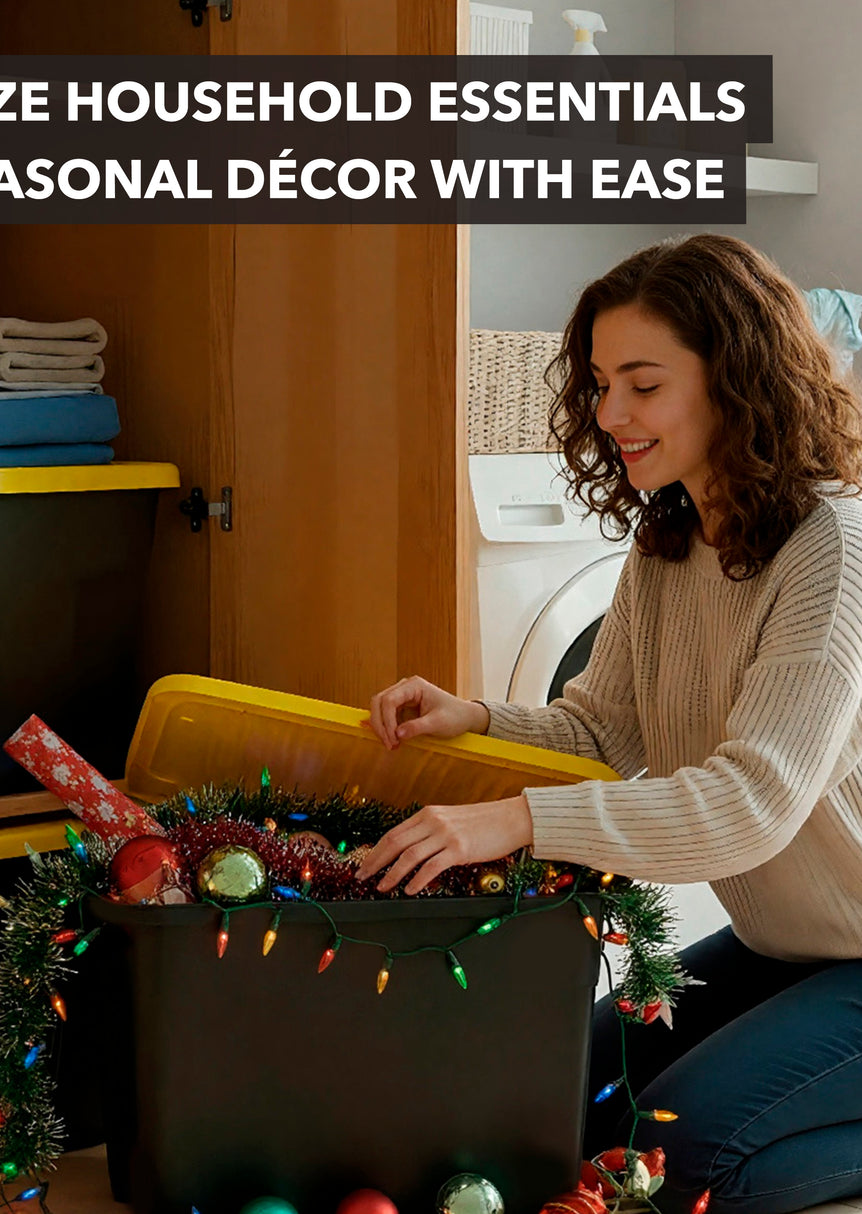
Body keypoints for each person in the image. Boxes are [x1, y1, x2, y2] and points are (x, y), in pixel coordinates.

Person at [358, 234, 862, 1214]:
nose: (609, 413)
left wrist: (515, 820)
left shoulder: (831, 546)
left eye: (643, 383)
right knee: (560, 1105)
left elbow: (749, 804)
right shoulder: (670, 540)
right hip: (784, 945)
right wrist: (473, 719)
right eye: (598, 383)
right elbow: (602, 732)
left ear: (737, 382)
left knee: (664, 1166)